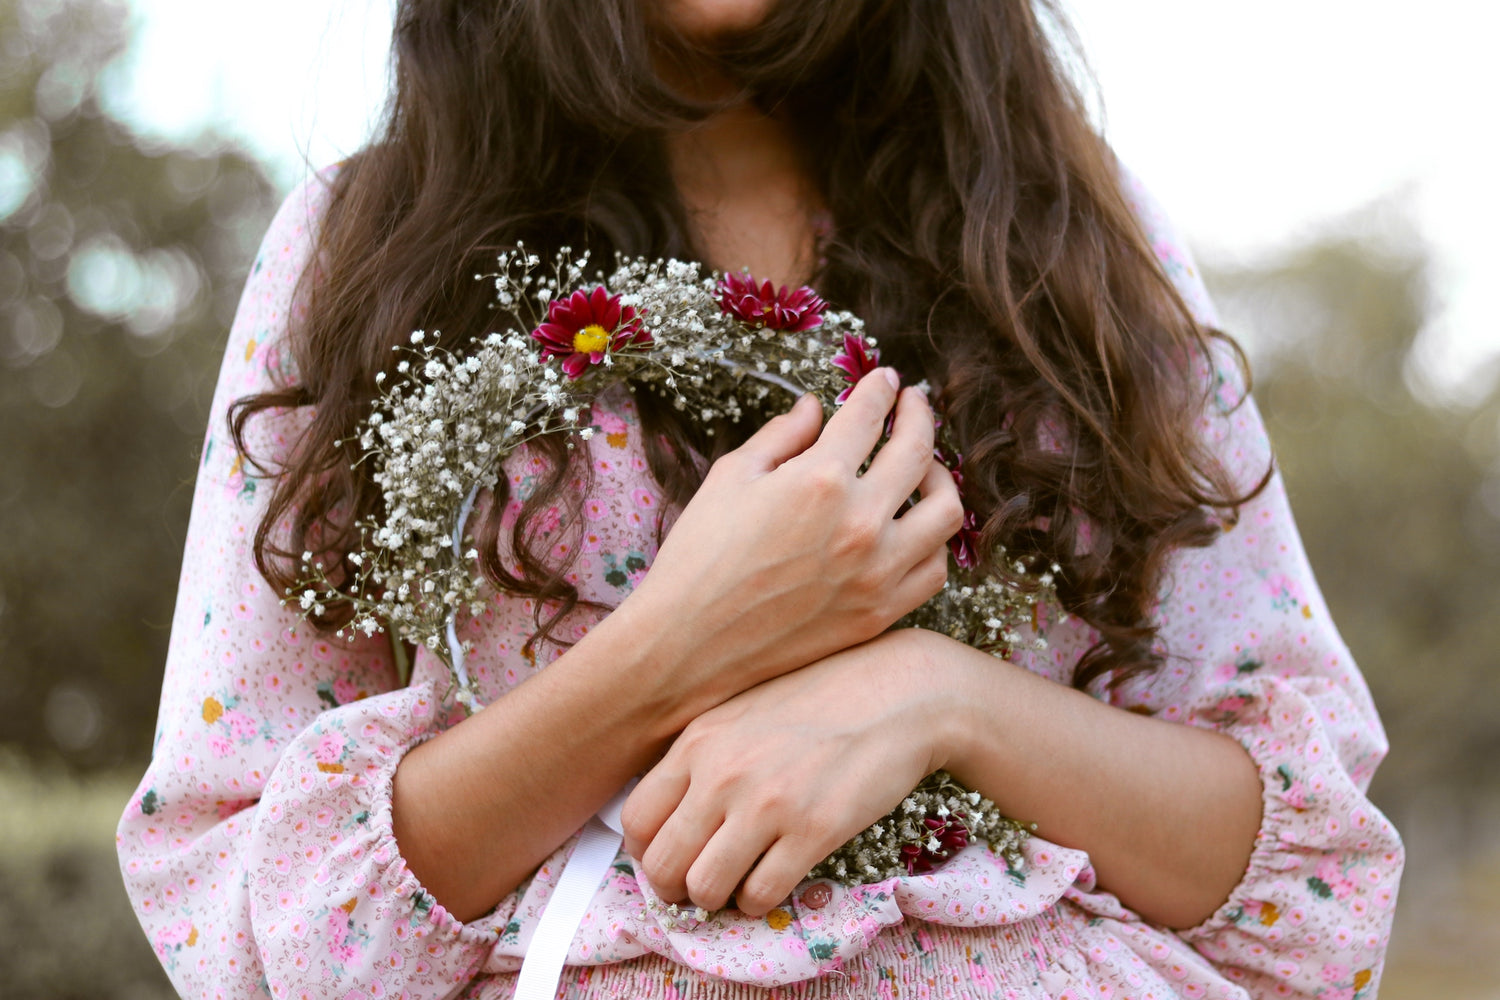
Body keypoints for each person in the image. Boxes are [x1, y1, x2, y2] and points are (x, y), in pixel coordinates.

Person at [117, 1, 1404, 997]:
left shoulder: (1073, 240)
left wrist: (938, 700)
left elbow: (1306, 890)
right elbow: (237, 910)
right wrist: (680, 645)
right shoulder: (370, 247)